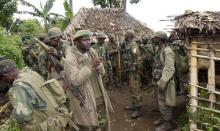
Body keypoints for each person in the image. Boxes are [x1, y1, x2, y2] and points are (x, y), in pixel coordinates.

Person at [0, 59, 73, 131]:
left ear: (6, 75)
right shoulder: (30, 73)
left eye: (2, 78)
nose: (4, 81)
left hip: (47, 124)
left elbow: (22, 115)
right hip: (57, 117)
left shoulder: (19, 86)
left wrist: (13, 117)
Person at [64, 30, 113, 131]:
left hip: (99, 96)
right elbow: (75, 80)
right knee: (88, 125)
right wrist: (90, 65)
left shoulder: (92, 52)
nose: (88, 42)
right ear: (76, 42)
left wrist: (100, 67)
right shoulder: (70, 59)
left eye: (89, 40)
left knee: (102, 124)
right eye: (85, 40)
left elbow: (102, 73)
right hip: (85, 99)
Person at [152, 31, 176, 131]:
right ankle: (163, 118)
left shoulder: (167, 51)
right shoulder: (160, 49)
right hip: (159, 80)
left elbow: (170, 68)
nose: (153, 39)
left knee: (165, 102)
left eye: (155, 38)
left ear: (160, 39)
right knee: (160, 101)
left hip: (165, 81)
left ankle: (167, 123)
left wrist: (163, 82)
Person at [123, 30, 143, 119]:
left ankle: (138, 110)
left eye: (126, 34)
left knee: (136, 89)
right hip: (131, 71)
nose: (124, 35)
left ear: (129, 36)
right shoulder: (128, 45)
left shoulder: (134, 45)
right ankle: (134, 105)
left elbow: (138, 58)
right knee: (132, 88)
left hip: (134, 72)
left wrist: (135, 68)